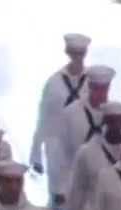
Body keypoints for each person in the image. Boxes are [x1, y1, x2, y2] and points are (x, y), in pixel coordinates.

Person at [53, 64, 114, 210]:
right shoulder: (71, 113)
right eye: (97, 89)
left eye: (105, 89)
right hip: (75, 183)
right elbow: (60, 152)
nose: (101, 94)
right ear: (89, 87)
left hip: (106, 185)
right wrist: (60, 187)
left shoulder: (116, 116)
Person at [30, 33, 91, 177]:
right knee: (59, 188)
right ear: (68, 53)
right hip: (57, 148)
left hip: (85, 143)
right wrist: (36, 154)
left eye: (81, 53)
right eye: (74, 53)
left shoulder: (92, 82)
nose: (77, 57)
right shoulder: (54, 82)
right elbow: (43, 118)